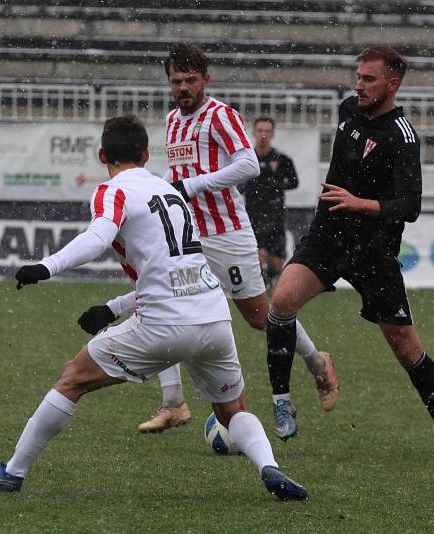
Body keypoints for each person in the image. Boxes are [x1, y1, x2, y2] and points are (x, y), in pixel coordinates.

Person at [0, 115, 308, 500]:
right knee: (233, 409)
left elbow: (97, 239)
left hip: (163, 323)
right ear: (146, 154)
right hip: (212, 317)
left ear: (101, 155)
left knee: (71, 379)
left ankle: (13, 472)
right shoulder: (170, 192)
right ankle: (270, 467)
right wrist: (113, 308)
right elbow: (174, 269)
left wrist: (47, 267)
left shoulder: (113, 191)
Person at [103, 43, 337, 438]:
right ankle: (173, 402)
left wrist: (189, 186)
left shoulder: (220, 115)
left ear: (205, 80)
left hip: (227, 231)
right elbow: (178, 171)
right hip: (188, 235)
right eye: (177, 81)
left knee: (260, 317)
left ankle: (318, 363)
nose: (183, 88)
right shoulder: (173, 119)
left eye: (191, 80)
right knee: (163, 304)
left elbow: (247, 164)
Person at [265, 47, 434, 456]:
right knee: (282, 301)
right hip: (327, 235)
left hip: (373, 251)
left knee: (407, 350)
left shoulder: (402, 136)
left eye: (368, 79)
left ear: (392, 84)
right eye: (357, 76)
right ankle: (282, 402)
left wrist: (361, 203)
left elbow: (411, 207)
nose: (358, 85)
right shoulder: (348, 111)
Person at [240, 116, 299, 291]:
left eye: (267, 131)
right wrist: (249, 186)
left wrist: (276, 185)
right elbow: (237, 185)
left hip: (275, 217)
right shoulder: (246, 159)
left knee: (277, 262)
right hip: (253, 217)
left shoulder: (282, 159)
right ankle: (260, 289)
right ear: (253, 133)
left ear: (272, 134)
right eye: (260, 131)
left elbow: (294, 182)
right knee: (257, 257)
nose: (263, 135)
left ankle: (272, 283)